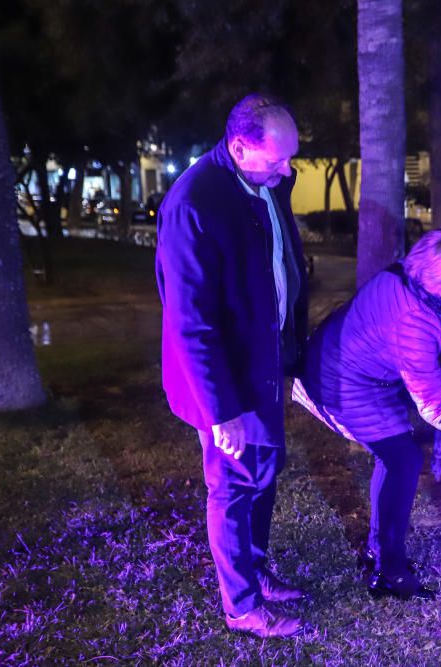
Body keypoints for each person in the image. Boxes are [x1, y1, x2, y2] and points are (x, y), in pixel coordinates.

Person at [155, 94, 309, 638]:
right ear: (239, 146)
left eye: (290, 157)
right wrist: (222, 412)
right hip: (227, 382)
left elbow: (277, 267)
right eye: (277, 159)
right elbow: (190, 323)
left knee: (264, 474)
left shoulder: (263, 184)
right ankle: (242, 607)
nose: (287, 169)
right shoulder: (193, 201)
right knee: (233, 486)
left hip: (264, 363)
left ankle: (256, 570)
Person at [293, 228, 441, 601]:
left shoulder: (409, 277)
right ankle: (389, 570)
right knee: (402, 459)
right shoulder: (414, 322)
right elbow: (433, 404)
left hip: (353, 363)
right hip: (344, 380)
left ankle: (377, 552)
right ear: (436, 281)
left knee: (396, 455)